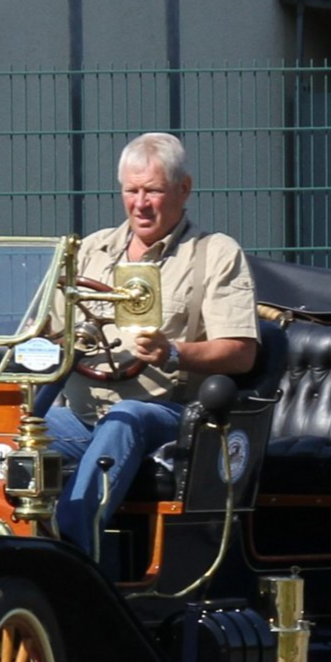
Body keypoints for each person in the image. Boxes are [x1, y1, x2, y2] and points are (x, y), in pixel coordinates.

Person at [44, 132, 259, 554]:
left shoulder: (213, 253)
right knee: (10, 429)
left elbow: (241, 352)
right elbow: (50, 334)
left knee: (127, 417)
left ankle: (75, 546)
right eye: (132, 191)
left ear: (184, 189)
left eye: (154, 191)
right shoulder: (90, 252)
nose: (141, 203)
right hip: (80, 415)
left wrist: (173, 352)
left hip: (166, 415)